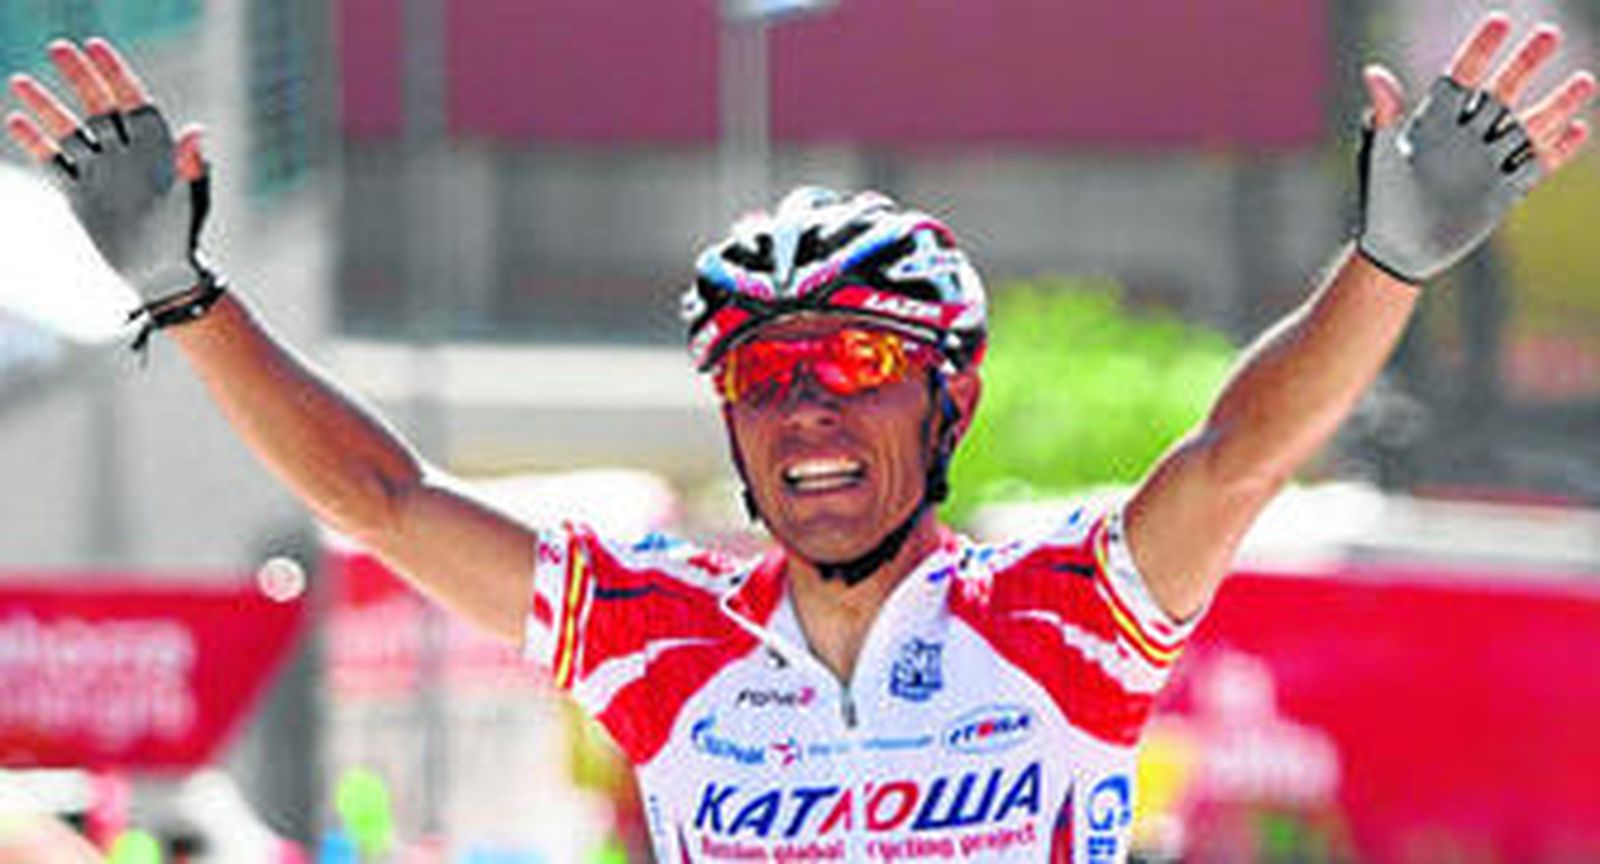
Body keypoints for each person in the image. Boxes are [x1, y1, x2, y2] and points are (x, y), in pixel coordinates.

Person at [5, 12, 1593, 862]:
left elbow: (1238, 451)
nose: (807, 410)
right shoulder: (658, 635)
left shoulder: (1065, 618)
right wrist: (184, 294)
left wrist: (1386, 268)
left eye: (855, 362)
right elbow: (382, 497)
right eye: (762, 379)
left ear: (949, 398)